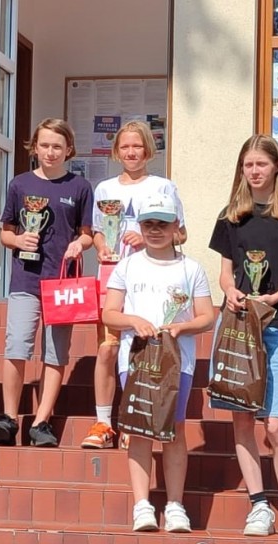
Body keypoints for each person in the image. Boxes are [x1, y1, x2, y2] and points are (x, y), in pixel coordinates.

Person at [208, 134, 278, 538]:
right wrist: (230, 291)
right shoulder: (231, 215)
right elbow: (225, 271)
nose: (254, 171)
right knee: (242, 420)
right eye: (248, 165)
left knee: (274, 425)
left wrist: (274, 297)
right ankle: (258, 505)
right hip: (238, 328)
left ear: (276, 167)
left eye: (261, 164)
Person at [102, 195, 214, 533]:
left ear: (176, 226)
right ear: (140, 226)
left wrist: (181, 327)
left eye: (162, 223)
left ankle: (175, 505)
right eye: (149, 223)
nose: (155, 230)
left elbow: (207, 316)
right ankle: (142, 504)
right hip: (135, 359)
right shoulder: (127, 265)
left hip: (177, 362)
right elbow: (109, 314)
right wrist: (133, 320)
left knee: (174, 430)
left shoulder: (191, 268)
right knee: (138, 430)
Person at [0, 118, 94, 447]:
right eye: (44, 145)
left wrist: (79, 244)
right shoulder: (20, 184)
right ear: (34, 147)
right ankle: (9, 417)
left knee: (55, 352)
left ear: (69, 150)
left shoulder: (80, 187)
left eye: (57, 146)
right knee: (17, 345)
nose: (50, 152)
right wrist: (19, 240)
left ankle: (41, 421)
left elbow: (87, 234)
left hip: (61, 282)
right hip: (26, 279)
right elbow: (5, 232)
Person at [81, 120, 188, 451]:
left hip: (151, 279)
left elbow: (182, 234)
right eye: (125, 146)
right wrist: (102, 247)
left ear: (148, 150)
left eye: (137, 146)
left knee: (143, 347)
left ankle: (134, 418)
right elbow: (98, 231)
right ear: (116, 151)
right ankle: (103, 422)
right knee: (108, 348)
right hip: (113, 277)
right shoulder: (104, 189)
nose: (131, 152)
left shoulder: (164, 187)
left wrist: (147, 238)